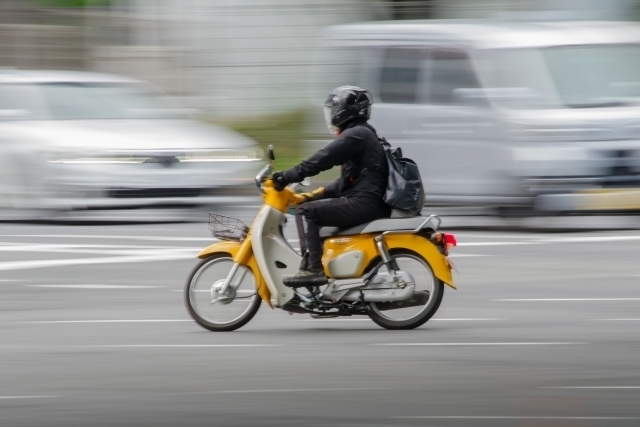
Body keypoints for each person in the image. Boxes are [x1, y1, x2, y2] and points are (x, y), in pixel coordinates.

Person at [272, 86, 391, 287]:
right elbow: (345, 183)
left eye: (333, 110)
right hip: (367, 201)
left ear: (344, 110)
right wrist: (311, 196)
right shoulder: (363, 134)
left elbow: (323, 159)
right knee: (310, 207)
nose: (331, 115)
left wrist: (287, 176)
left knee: (306, 213)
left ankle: (312, 269)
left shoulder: (356, 134)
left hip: (364, 203)